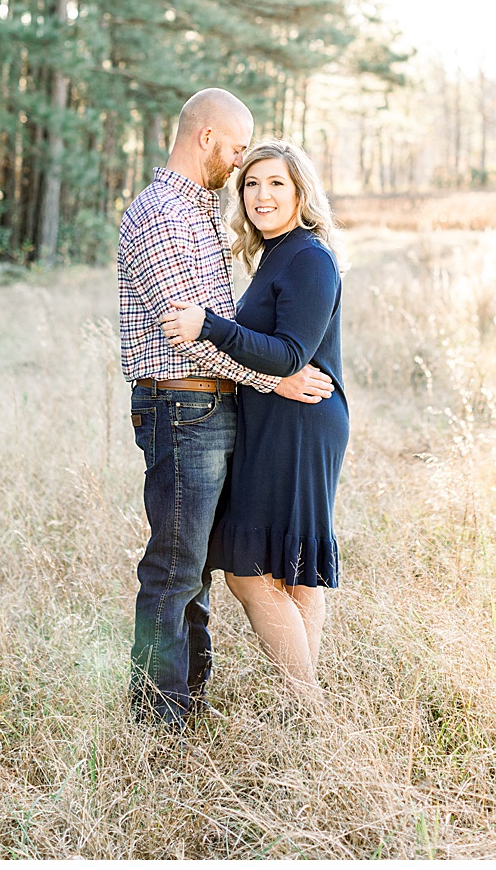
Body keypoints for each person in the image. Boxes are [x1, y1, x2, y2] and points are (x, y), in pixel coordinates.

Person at [114, 88, 335, 726]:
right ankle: (159, 722)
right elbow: (192, 336)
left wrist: (265, 378)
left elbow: (218, 326)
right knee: (176, 568)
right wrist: (277, 381)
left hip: (212, 410)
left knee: (199, 571)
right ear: (207, 136)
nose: (239, 166)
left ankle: (188, 703)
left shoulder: (199, 214)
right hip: (182, 408)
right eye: (237, 150)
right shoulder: (162, 215)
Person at [159, 139, 348, 698]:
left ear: (300, 192)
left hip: (300, 425)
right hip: (278, 419)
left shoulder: (309, 257)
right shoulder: (278, 253)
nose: (261, 195)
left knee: (249, 569)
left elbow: (290, 354)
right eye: (251, 184)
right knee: (290, 569)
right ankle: (306, 709)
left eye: (276, 184)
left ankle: (307, 702)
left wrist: (210, 325)